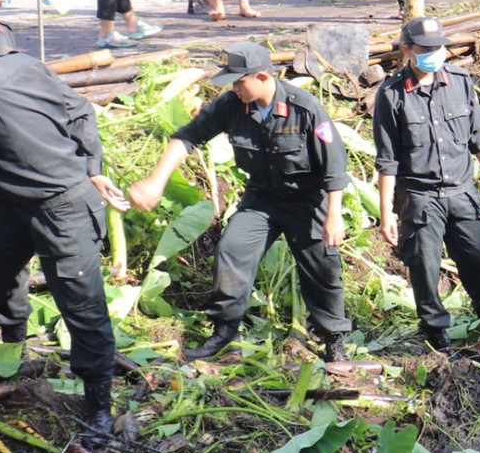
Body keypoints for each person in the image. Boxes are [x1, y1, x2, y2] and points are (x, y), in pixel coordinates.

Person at [0, 0, 126, 438]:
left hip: (60, 201)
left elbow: (79, 110)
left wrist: (92, 167)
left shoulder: (13, 67)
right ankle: (11, 348)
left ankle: (99, 409)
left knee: (80, 304)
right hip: (9, 197)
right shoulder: (8, 62)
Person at [128, 41, 352, 363]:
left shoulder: (304, 107)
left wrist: (333, 215)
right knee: (231, 250)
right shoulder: (231, 105)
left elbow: (334, 165)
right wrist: (155, 181)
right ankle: (225, 335)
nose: (234, 88)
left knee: (322, 268)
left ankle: (334, 341)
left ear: (261, 76)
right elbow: (187, 137)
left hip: (308, 200)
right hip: (263, 198)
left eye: (238, 81)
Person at [372, 17, 480, 353]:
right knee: (424, 267)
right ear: (407, 51)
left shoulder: (461, 82)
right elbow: (387, 160)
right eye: (426, 49)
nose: (434, 53)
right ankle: (436, 332)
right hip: (420, 197)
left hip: (462, 191)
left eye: (439, 47)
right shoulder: (391, 95)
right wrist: (386, 213)